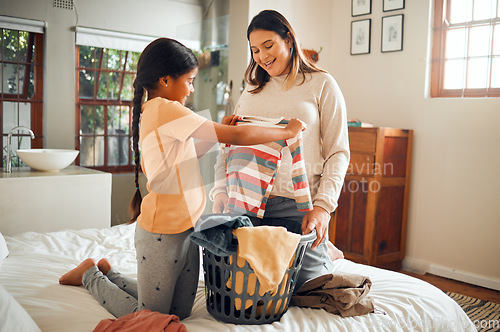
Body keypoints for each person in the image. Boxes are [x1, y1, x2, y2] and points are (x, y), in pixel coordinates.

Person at [58, 37, 305, 320]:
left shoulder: (160, 111)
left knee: (181, 312)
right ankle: (90, 274)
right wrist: (286, 132)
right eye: (189, 81)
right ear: (164, 80)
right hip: (161, 233)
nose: (191, 89)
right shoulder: (165, 109)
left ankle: (109, 272)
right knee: (152, 317)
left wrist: (216, 131)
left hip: (188, 227)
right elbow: (238, 136)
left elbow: (187, 155)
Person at [210, 10, 349, 290]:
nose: (262, 56)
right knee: (243, 287)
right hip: (246, 204)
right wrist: (220, 191)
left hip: (296, 206)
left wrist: (323, 207)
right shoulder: (251, 92)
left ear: (288, 39)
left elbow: (338, 152)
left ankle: (326, 252)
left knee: (308, 287)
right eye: (255, 50)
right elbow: (229, 149)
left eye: (268, 45)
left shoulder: (322, 85)